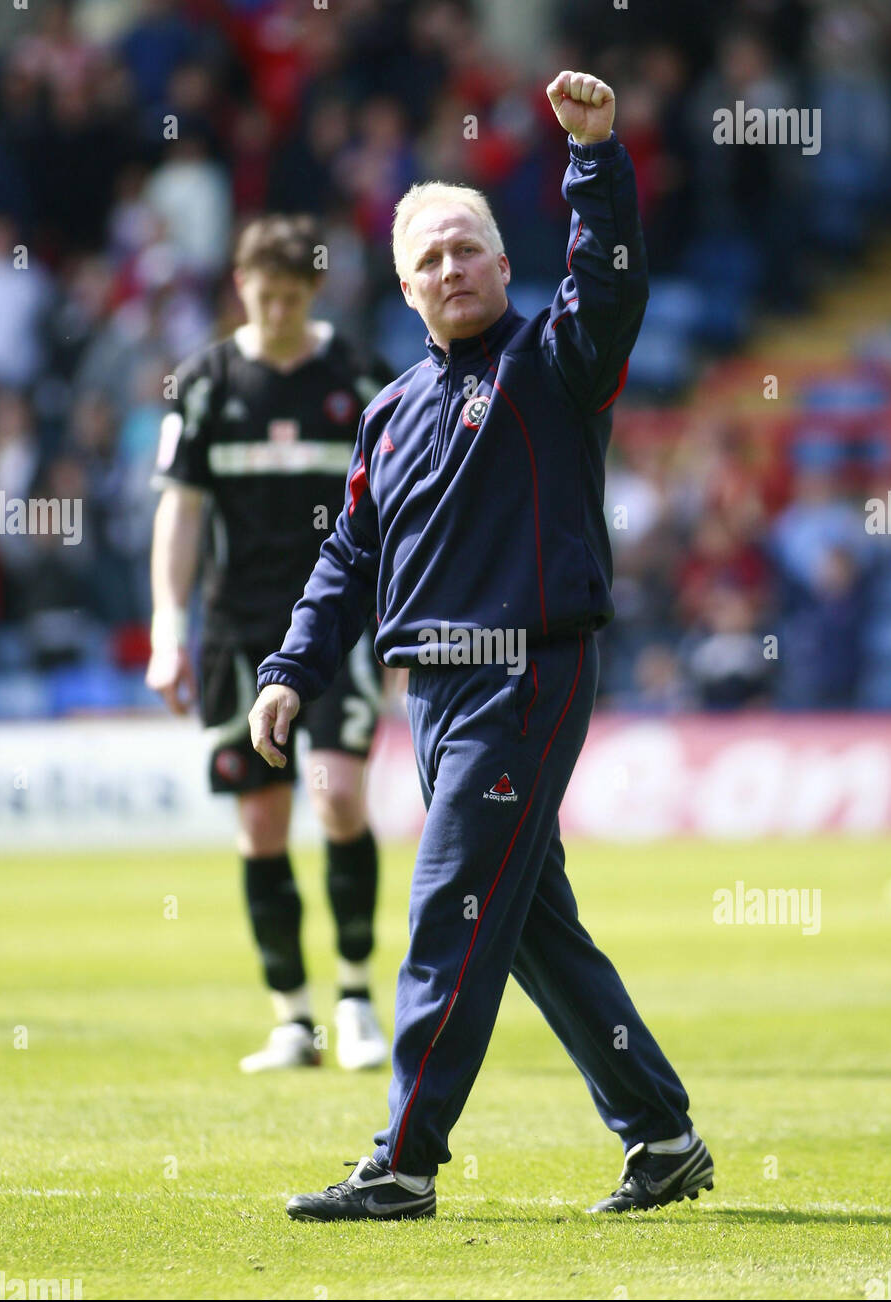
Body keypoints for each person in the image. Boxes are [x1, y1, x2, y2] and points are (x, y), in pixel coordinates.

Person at [249, 73, 713, 1218]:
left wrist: (593, 157)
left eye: (470, 249)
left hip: (526, 671)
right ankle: (660, 1137)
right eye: (430, 260)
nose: (453, 269)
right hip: (435, 691)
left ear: (507, 265)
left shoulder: (555, 365)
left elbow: (610, 284)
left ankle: (403, 1160)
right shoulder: (390, 410)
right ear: (404, 289)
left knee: (447, 907)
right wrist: (288, 670)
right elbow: (347, 559)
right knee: (528, 929)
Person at [146, 214, 391, 1074]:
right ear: (239, 289)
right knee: (260, 819)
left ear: (312, 291)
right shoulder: (204, 384)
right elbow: (179, 514)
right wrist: (167, 632)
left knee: (337, 798)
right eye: (262, 295)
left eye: (291, 296)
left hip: (334, 629)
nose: (277, 311)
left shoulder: (358, 376)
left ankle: (356, 1000)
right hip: (239, 633)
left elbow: (398, 514)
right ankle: (293, 1017)